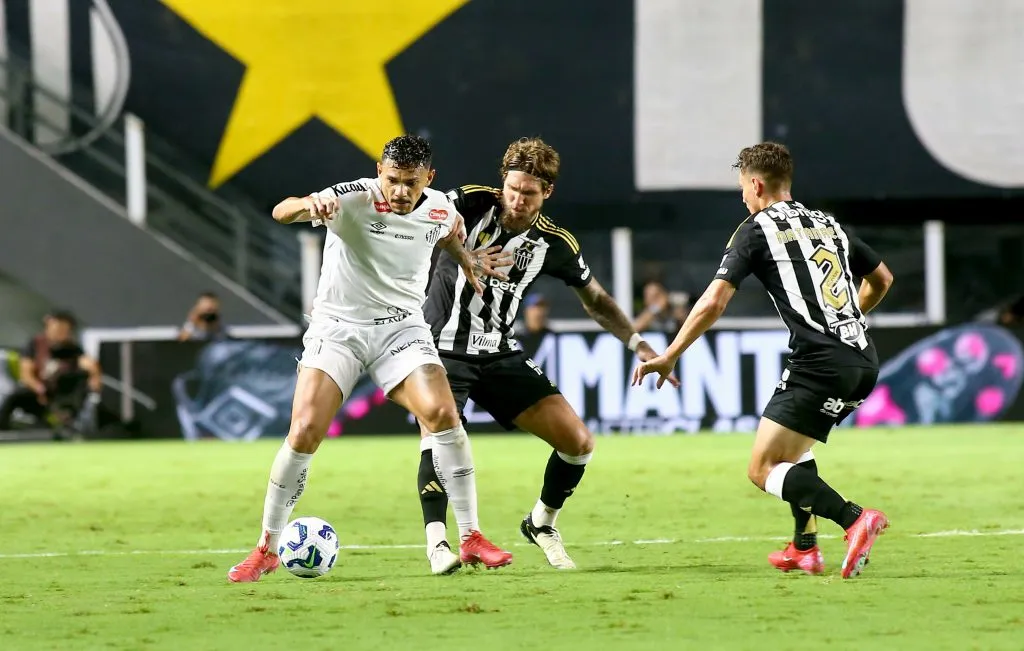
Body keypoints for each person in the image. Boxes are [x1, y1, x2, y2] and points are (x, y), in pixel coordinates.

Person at [227, 135, 514, 583]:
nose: (400, 192)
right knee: (303, 431)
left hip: (400, 328)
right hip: (338, 330)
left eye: (411, 184)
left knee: (442, 411)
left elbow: (447, 232)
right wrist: (308, 205)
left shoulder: (439, 207)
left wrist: (466, 259)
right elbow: (281, 211)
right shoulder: (353, 198)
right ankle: (266, 546)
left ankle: (472, 536)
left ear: (429, 179)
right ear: (379, 171)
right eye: (393, 180)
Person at [633, 142, 895, 579]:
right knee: (795, 449)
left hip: (820, 362)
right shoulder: (828, 223)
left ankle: (854, 519)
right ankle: (804, 546)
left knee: (763, 468)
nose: (742, 197)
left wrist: (670, 354)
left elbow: (713, 302)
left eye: (742, 188)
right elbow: (882, 278)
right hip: (862, 360)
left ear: (755, 184)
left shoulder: (755, 229)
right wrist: (845, 320)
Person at [416, 137, 678, 572]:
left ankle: (541, 523)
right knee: (439, 438)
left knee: (578, 443)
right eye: (512, 189)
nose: (517, 201)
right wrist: (459, 253)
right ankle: (438, 544)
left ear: (547, 193)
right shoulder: (469, 202)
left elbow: (596, 300)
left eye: (529, 193)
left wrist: (641, 344)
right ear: (503, 182)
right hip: (440, 349)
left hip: (499, 352)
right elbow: (416, 219)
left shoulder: (554, 243)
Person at [0, 310, 102, 437]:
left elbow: (90, 365)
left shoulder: (73, 349)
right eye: (56, 328)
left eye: (63, 330)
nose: (59, 333)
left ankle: (68, 426)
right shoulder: (35, 344)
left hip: (62, 394)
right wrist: (39, 388)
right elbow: (26, 374)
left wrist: (95, 377)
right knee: (13, 396)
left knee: (79, 384)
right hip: (36, 392)